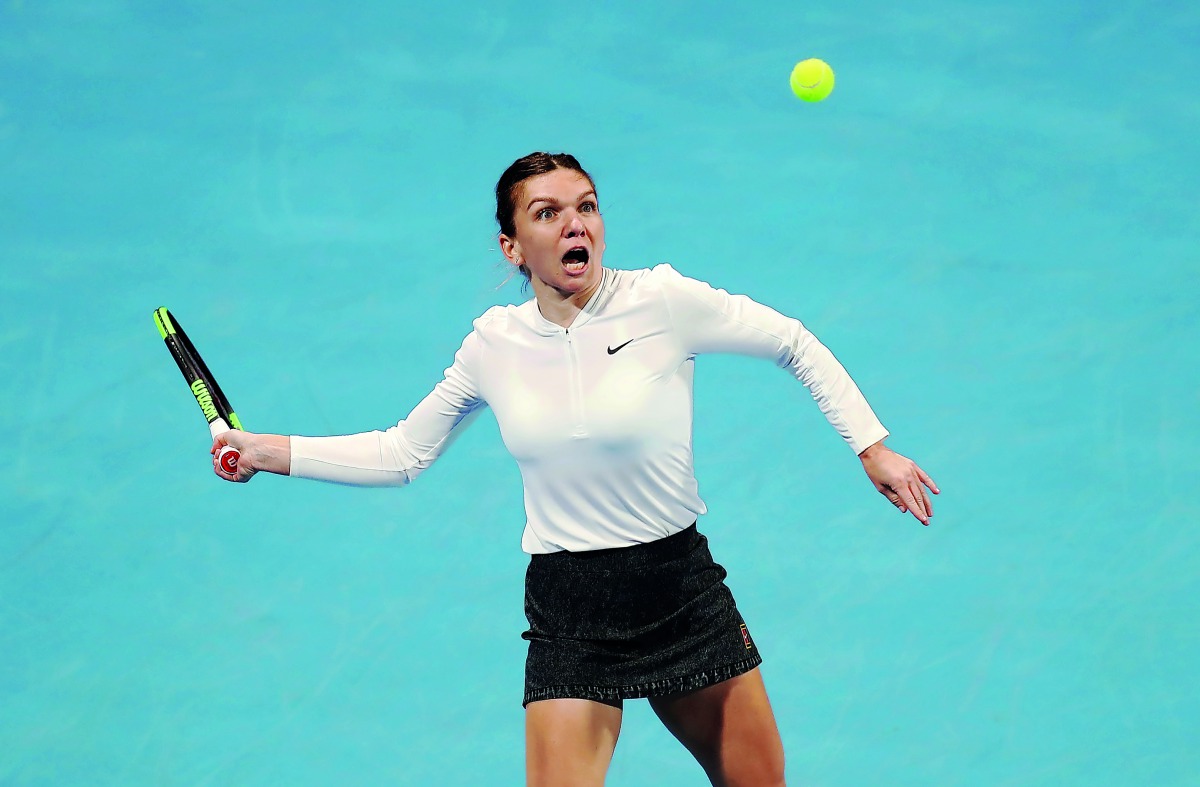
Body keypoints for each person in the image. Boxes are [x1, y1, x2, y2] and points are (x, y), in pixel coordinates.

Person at [212, 152, 939, 787]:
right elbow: (402, 452)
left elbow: (793, 341)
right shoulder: (492, 344)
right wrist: (265, 451)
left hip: (679, 591)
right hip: (571, 609)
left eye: (586, 206)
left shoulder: (661, 301)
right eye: (548, 212)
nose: (575, 224)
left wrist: (871, 445)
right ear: (512, 246)